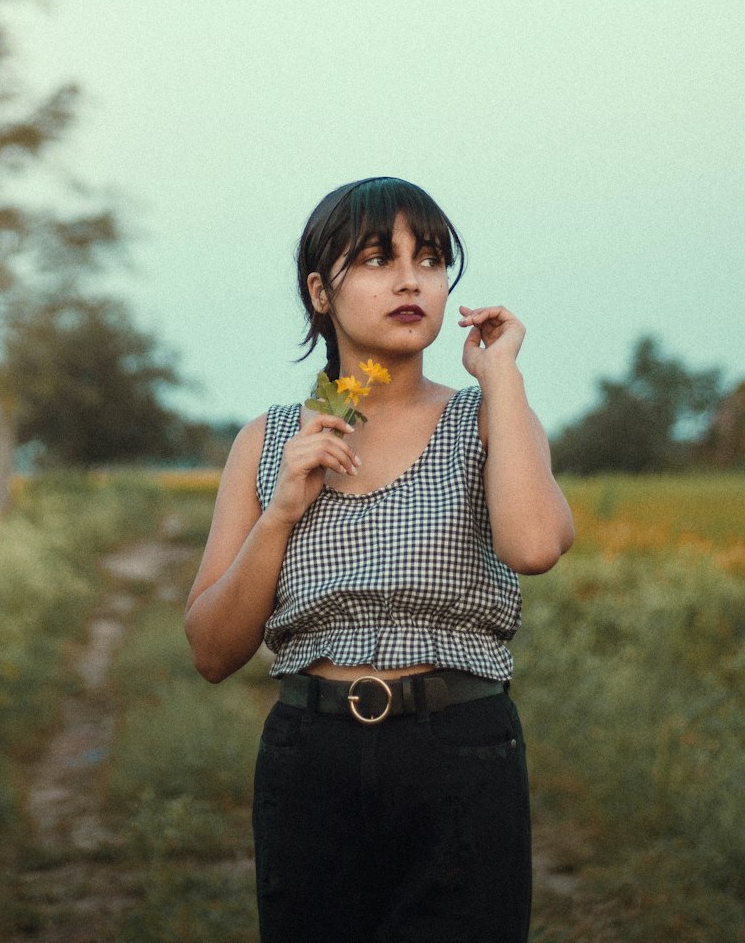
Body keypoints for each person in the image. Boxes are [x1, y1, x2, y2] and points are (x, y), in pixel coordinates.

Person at [185, 176, 575, 942]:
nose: (409, 278)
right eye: (374, 258)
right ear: (319, 292)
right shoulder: (269, 443)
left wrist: (500, 376)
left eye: (428, 259)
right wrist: (283, 513)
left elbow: (532, 546)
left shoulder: (487, 417)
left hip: (460, 754)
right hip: (310, 760)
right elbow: (209, 651)